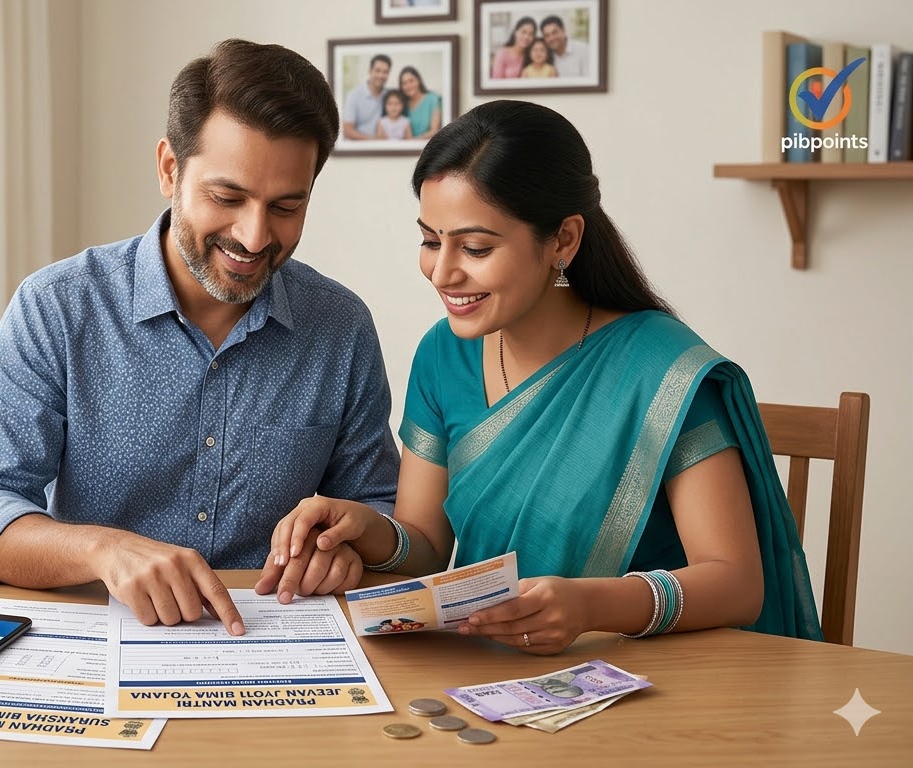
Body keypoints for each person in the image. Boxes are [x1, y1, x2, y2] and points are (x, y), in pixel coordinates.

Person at [256, 100, 823, 654]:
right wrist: (362, 525)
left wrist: (589, 607)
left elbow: (736, 584)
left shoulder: (659, 369)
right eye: (430, 240)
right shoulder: (442, 356)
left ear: (564, 240)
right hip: (481, 669)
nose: (443, 271)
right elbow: (427, 549)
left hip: (637, 676)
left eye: (475, 247)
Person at [0, 39, 401, 637]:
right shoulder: (56, 307)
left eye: (286, 206)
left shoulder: (340, 328)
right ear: (169, 169)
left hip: (274, 649)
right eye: (227, 197)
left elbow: (382, 513)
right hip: (94, 642)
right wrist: (101, 552)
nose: (255, 235)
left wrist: (349, 546)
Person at [343, 54, 391, 140]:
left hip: (385, 146)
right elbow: (347, 131)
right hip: (360, 148)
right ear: (370, 71)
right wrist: (374, 140)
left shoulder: (390, 95)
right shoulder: (354, 95)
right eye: (377, 71)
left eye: (385, 72)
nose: (381, 75)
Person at [397, 66, 442, 140]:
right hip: (406, 148)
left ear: (419, 80)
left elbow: (434, 131)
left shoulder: (433, 99)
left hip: (427, 146)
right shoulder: (402, 103)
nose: (408, 86)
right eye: (404, 83)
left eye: (411, 81)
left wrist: (413, 141)